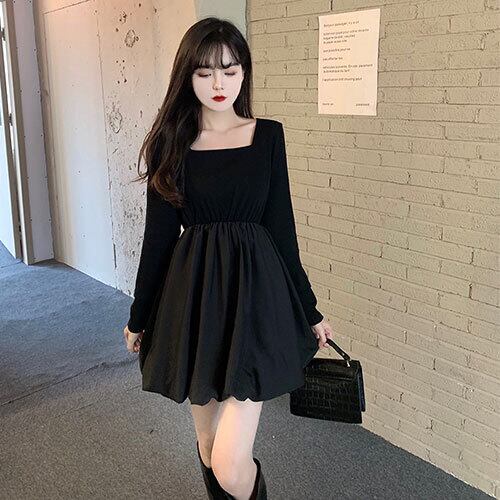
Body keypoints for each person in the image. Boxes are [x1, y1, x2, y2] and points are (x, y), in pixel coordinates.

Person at [122, 17, 334, 500]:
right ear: (187, 76)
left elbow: (282, 229)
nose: (218, 83)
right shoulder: (170, 144)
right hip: (195, 301)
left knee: (229, 461)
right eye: (204, 72)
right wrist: (139, 316)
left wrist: (309, 308)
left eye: (230, 70)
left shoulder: (268, 137)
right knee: (208, 443)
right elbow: (158, 240)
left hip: (254, 299)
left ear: (244, 73)